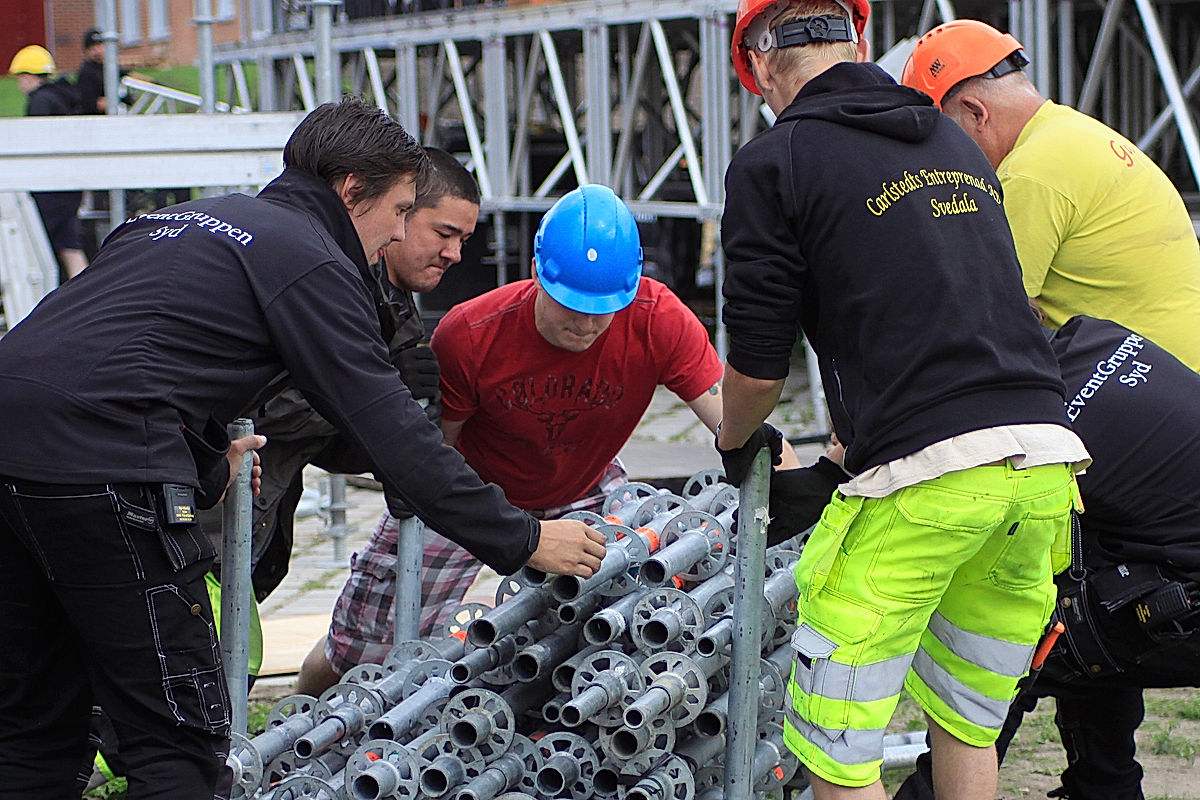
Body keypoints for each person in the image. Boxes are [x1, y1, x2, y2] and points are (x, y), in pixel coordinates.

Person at [0, 97, 604, 799]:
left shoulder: (186, 219)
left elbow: (130, 351)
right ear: (351, 188)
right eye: (402, 211)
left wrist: (200, 462)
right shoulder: (313, 258)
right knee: (179, 744)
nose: (399, 232)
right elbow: (393, 434)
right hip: (100, 464)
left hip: (15, 446)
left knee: (35, 724)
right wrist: (525, 536)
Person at [715, 2, 1089, 798]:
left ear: (759, 64)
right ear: (857, 39)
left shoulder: (775, 160)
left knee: (833, 747)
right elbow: (953, 323)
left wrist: (732, 442)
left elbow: (755, 369)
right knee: (965, 719)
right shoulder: (953, 140)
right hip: (1043, 464)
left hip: (927, 483)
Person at [296, 183, 801, 695]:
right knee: (358, 648)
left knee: (623, 621)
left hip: (585, 484)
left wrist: (803, 500)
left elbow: (738, 423)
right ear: (538, 275)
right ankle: (293, 742)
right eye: (570, 305)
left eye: (602, 308)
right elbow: (433, 457)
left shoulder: (657, 318)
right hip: (470, 494)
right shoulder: (471, 333)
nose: (585, 324)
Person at [886, 314, 1200, 800]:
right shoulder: (1094, 337)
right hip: (1175, 560)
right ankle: (1105, 785)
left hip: (1189, 595)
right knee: (1083, 593)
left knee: (999, 634)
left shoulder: (1021, 431)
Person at [900, 20, 1200, 372]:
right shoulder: (1073, 134)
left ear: (975, 113)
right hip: (1172, 375)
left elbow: (981, 320)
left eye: (944, 136)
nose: (944, 155)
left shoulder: (1028, 173)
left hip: (1142, 384)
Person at [8, 44, 89, 280]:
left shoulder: (40, 101)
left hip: (50, 189)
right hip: (70, 185)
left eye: (20, 78)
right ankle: (82, 295)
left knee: (32, 242)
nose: (19, 85)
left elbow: (35, 143)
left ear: (29, 76)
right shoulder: (64, 96)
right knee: (70, 246)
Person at [76, 28, 132, 115]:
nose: (98, 51)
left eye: (99, 45)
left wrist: (152, 82)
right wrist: (116, 100)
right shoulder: (87, 73)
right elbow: (92, 104)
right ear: (86, 51)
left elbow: (129, 75)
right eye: (93, 47)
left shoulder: (109, 67)